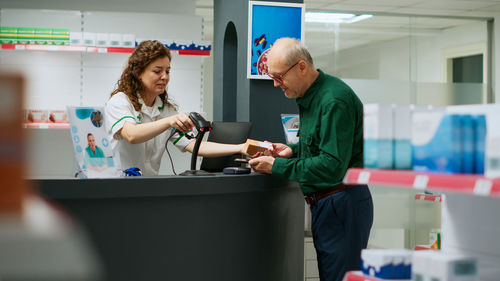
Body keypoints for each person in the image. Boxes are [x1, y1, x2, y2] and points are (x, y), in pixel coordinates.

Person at [249, 38, 373, 281]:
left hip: (342, 203)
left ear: (301, 67)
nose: (276, 84)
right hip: (329, 204)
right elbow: (321, 145)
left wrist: (277, 166)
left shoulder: (333, 100)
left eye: (279, 76)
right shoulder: (312, 96)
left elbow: (331, 166)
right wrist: (291, 151)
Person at [104, 40, 245, 176]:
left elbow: (194, 146)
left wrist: (241, 147)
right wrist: (169, 121)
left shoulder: (166, 110)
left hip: (147, 186)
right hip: (118, 185)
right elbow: (132, 135)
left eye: (167, 71)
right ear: (138, 72)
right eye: (157, 71)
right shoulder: (120, 101)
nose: (164, 77)